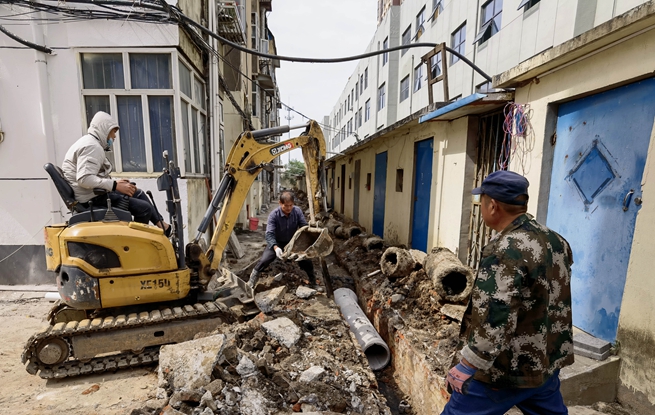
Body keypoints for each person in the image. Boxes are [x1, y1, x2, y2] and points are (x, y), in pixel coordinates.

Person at [442, 171, 574, 415]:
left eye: (481, 201)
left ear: (492, 206)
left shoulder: (505, 250)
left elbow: (496, 315)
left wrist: (468, 365)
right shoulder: (556, 241)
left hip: (504, 372)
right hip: (543, 365)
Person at [62, 111, 171, 235]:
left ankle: (164, 226)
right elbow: (84, 179)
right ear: (103, 129)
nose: (114, 137)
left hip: (92, 193)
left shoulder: (90, 142)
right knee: (144, 209)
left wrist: (117, 184)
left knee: (136, 192)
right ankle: (133, 244)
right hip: (91, 198)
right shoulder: (92, 147)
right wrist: (115, 185)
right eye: (113, 132)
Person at [248, 191, 317, 289]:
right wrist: (275, 248)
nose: (288, 208)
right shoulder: (274, 215)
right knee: (264, 259)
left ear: (293, 204)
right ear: (280, 203)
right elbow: (269, 234)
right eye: (286, 205)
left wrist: (310, 236)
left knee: (306, 261)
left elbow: (304, 227)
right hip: (277, 242)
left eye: (291, 205)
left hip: (293, 243)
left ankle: (313, 282)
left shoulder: (297, 211)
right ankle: (252, 281)